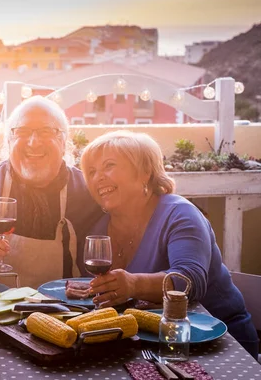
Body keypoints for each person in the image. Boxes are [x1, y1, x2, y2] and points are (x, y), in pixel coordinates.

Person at [81, 130, 259, 358]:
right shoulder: (98, 231)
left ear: (144, 172)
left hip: (215, 343)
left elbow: (190, 281)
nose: (98, 178)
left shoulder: (180, 213)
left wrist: (134, 284)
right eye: (92, 172)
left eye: (109, 166)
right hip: (147, 345)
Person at [0, 96, 103, 288]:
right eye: (23, 132)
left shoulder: (86, 190)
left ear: (63, 141)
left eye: (46, 132)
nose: (33, 142)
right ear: (9, 140)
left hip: (67, 310)